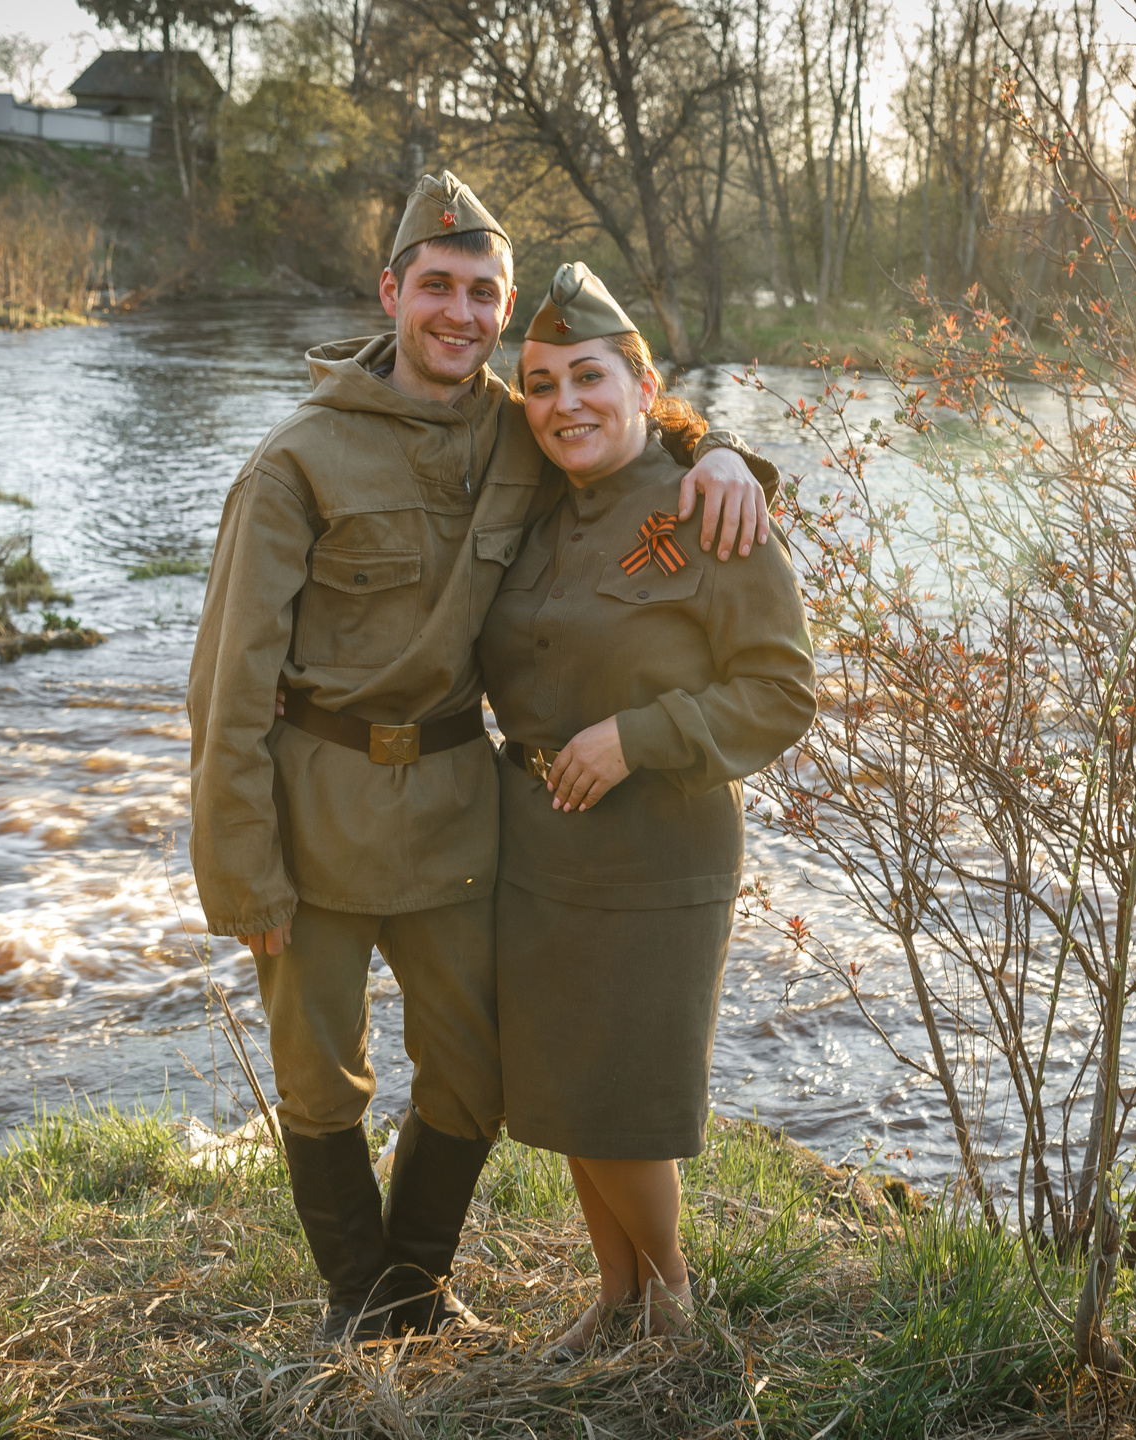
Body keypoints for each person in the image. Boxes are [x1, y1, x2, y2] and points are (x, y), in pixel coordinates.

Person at [186, 173, 778, 1343]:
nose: (459, 314)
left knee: (475, 1073)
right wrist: (238, 868)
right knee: (320, 1079)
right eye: (438, 288)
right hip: (316, 811)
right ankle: (366, 1305)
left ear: (503, 309)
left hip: (463, 809)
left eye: (482, 295)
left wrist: (721, 454)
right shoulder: (295, 464)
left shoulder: (519, 423)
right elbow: (228, 686)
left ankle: (420, 1286)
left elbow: (621, 419)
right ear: (392, 292)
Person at [479, 263, 815, 1354]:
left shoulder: (708, 501)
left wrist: (635, 739)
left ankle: (671, 1307)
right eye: (538, 384)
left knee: (622, 1092)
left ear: (640, 384)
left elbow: (778, 692)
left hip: (656, 850)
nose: (563, 403)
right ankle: (614, 1295)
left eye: (587, 377)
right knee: (570, 1089)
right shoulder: (532, 501)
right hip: (535, 844)